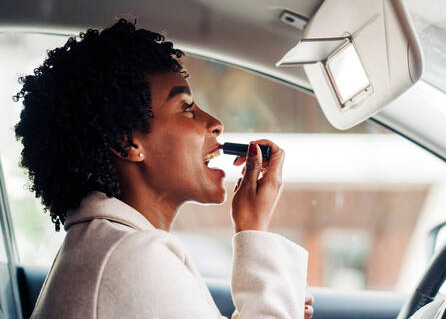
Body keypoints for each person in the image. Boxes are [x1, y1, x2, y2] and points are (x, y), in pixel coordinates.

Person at [14, 19, 313, 318]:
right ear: (127, 143)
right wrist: (253, 230)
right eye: (187, 108)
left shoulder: (113, 247)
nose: (215, 124)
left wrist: (275, 297)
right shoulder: (132, 257)